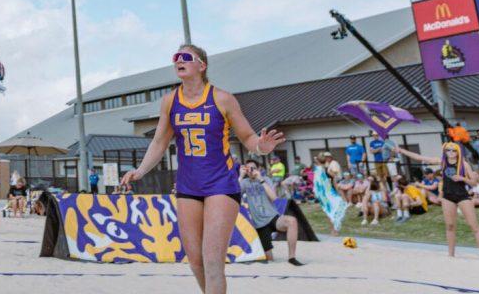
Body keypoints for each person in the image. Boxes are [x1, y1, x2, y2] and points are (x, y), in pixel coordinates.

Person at [121, 45, 283, 294]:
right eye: (176, 57)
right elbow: (160, 142)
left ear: (202, 65)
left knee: (212, 259)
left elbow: (248, 137)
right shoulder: (170, 100)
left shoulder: (222, 98)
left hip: (221, 185)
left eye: (185, 57)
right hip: (188, 186)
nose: (178, 61)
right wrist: (140, 171)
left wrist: (261, 147)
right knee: (195, 260)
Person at [395, 142, 479, 256]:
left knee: (474, 227)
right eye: (448, 150)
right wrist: (402, 151)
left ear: (458, 152)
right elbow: (420, 157)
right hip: (447, 197)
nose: (451, 152)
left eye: (453, 150)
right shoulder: (442, 162)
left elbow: (474, 183)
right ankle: (451, 255)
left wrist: (462, 178)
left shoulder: (464, 164)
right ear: (445, 151)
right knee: (450, 226)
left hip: (462, 196)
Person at [239, 160, 302, 265]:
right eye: (248, 168)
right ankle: (267, 253)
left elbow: (274, 198)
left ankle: (292, 258)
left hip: (273, 217)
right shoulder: (244, 183)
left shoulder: (266, 179)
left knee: (292, 221)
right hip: (259, 225)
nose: (250, 171)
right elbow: (234, 193)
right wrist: (240, 176)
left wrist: (260, 179)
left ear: (258, 169)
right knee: (269, 259)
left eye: (253, 168)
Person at [312, 154, 347, 236]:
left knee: (330, 211)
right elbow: (332, 180)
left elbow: (318, 183)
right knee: (332, 210)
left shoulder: (319, 170)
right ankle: (334, 229)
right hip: (330, 192)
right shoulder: (326, 169)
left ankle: (334, 230)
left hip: (326, 194)